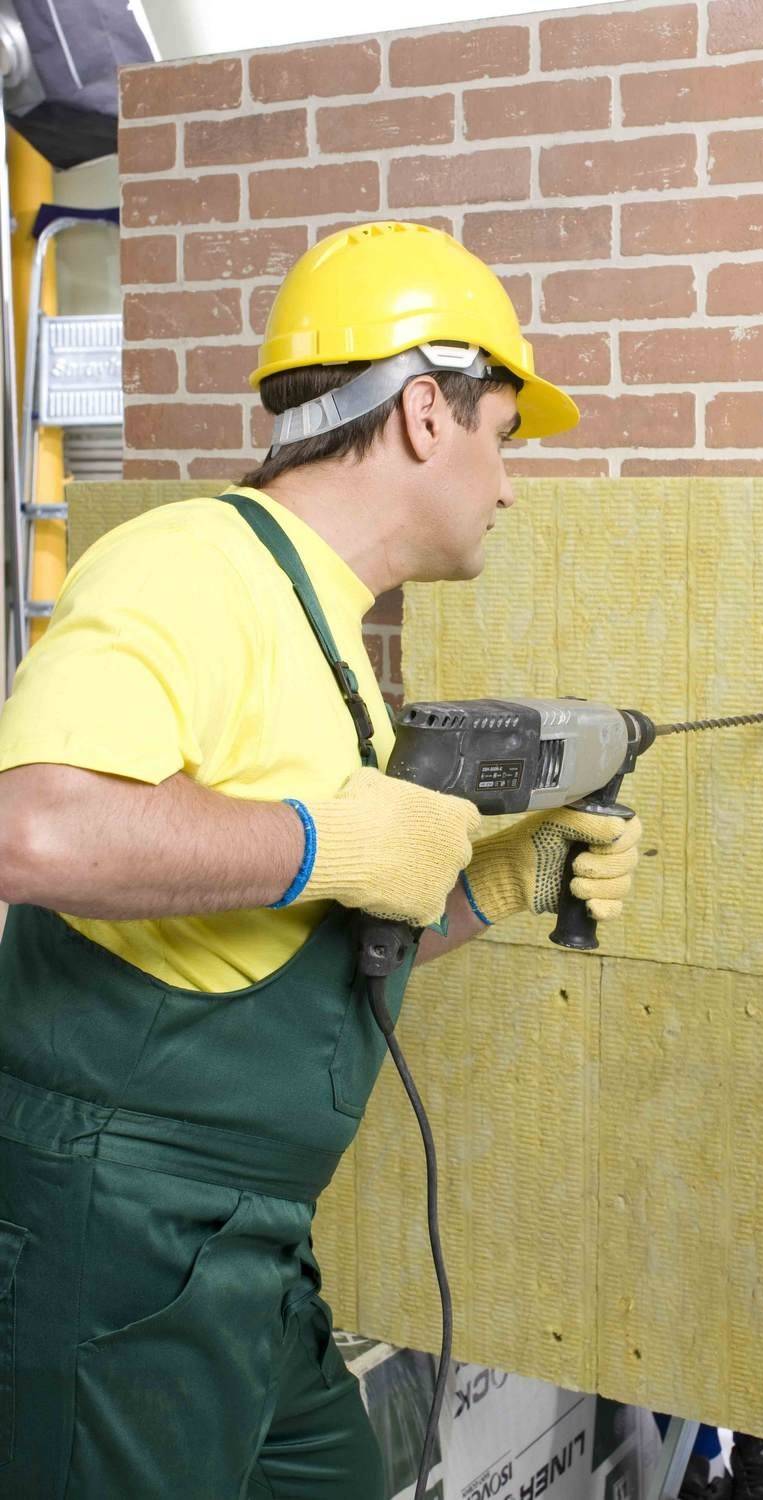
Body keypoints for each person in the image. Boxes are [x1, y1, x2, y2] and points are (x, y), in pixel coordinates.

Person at [0, 221, 644, 1498]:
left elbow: (297, 931)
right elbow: (37, 829)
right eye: (503, 435)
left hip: (246, 1249)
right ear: (424, 413)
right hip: (116, 1228)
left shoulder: (328, 631)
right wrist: (326, 838)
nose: (509, 485)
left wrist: (497, 885)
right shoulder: (193, 565)